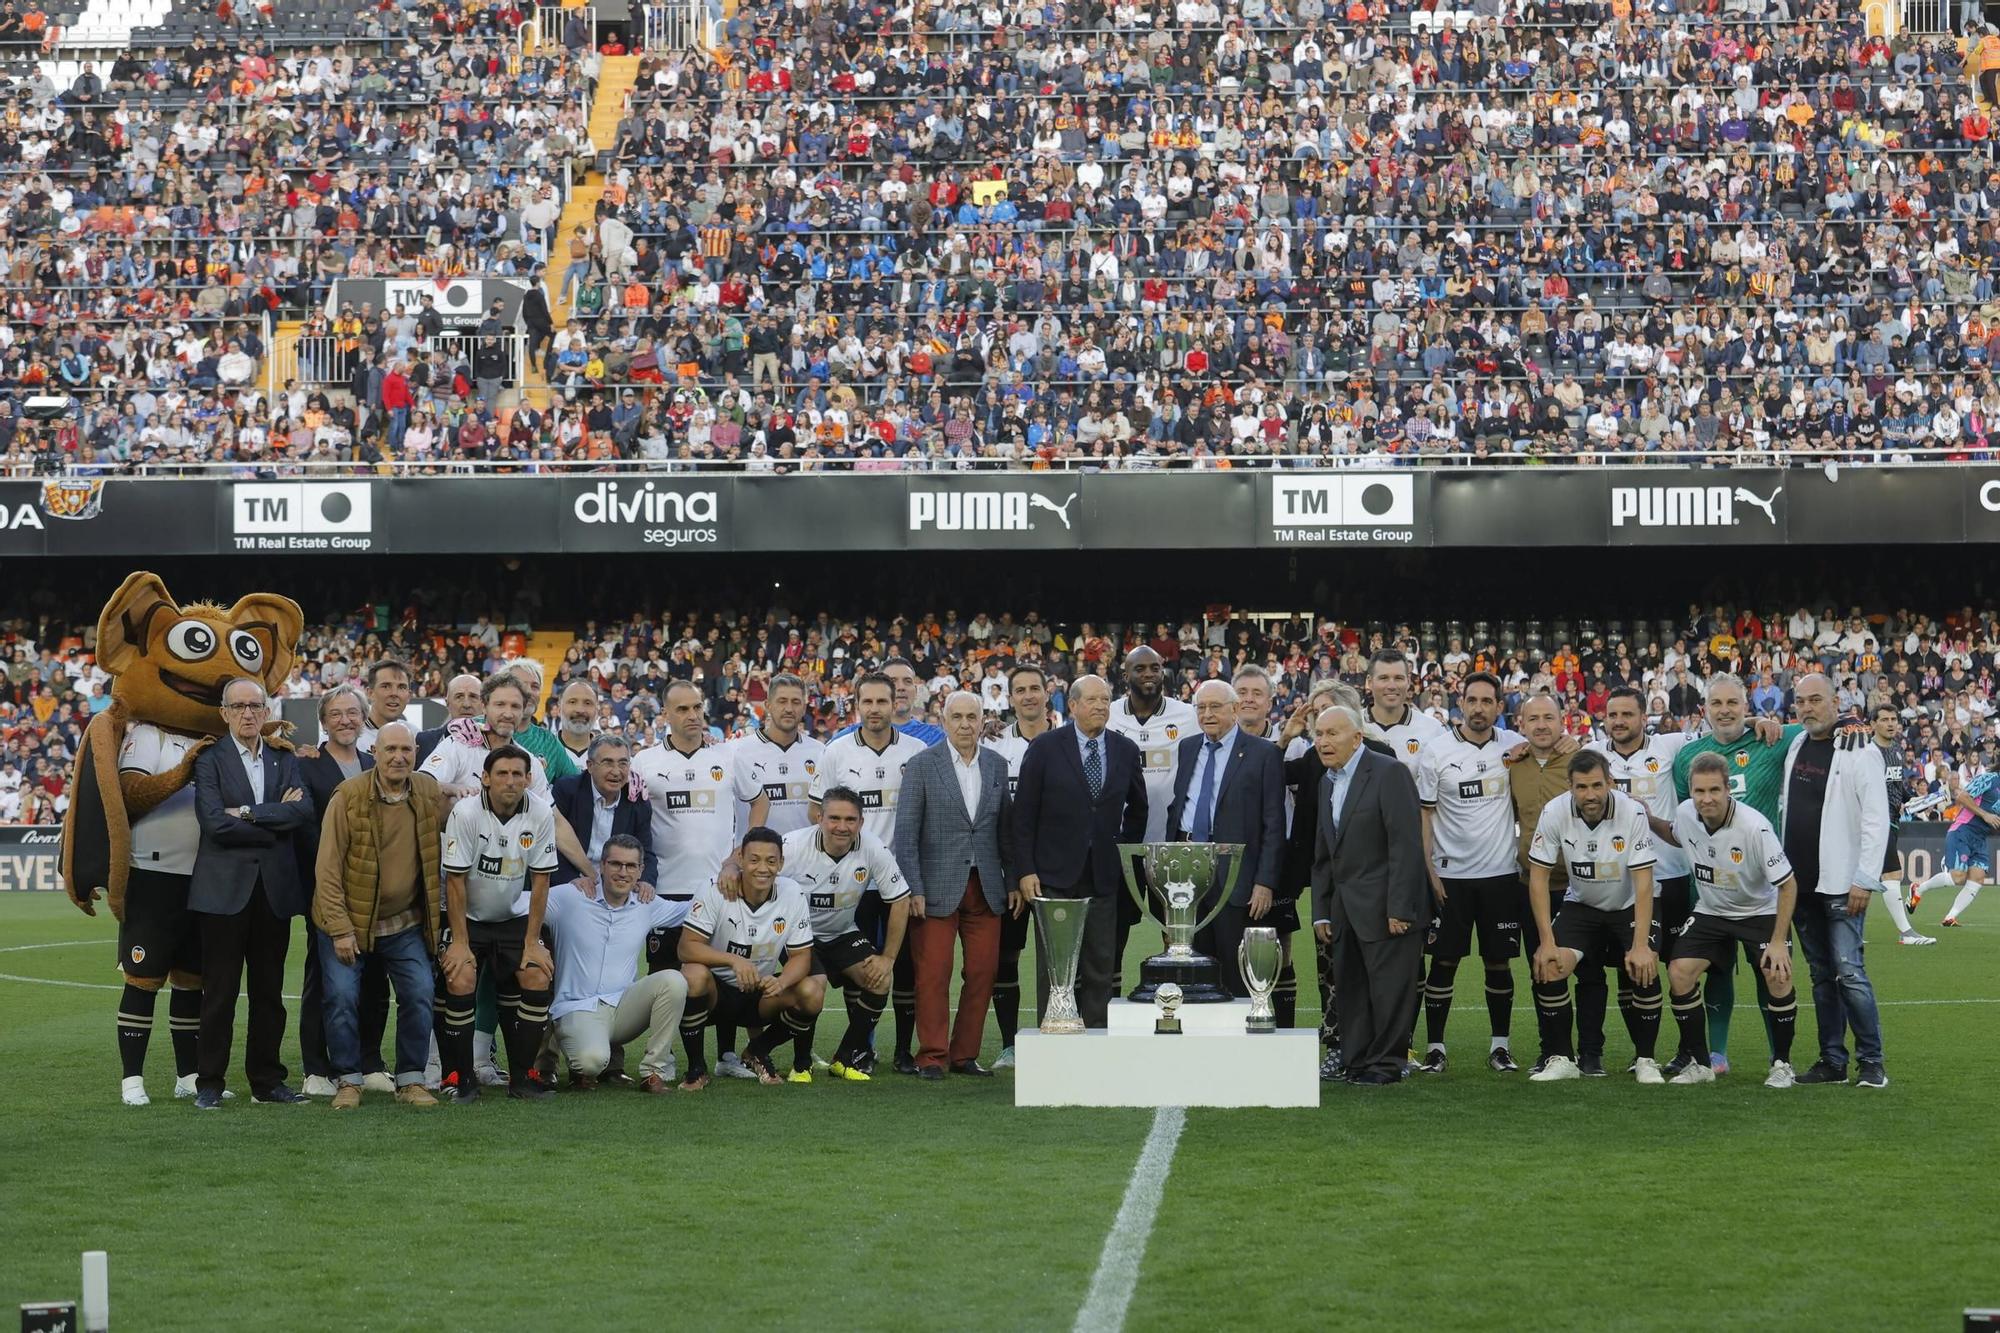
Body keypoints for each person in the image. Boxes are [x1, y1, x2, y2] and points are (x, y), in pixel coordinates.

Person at [188, 677, 313, 1108]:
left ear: (266, 711)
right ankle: (209, 1083)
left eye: (255, 706)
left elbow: (301, 811)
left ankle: (267, 1080)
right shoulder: (208, 760)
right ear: (223, 713)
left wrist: (246, 814)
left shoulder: (284, 757)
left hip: (273, 891)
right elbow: (212, 824)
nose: (247, 713)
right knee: (219, 994)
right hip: (223, 893)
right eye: (238, 706)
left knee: (269, 994)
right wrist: (270, 825)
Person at [1668, 673, 1795, 1075]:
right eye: (1717, 704)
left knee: (1769, 974)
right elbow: (1682, 821)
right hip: (1710, 888)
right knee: (1715, 970)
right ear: (1704, 709)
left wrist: (1767, 723)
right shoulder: (1688, 756)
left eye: (1733, 703)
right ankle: (1714, 1057)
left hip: (1759, 890)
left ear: (1747, 706)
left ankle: (1780, 1060)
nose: (1724, 711)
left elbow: (1813, 726)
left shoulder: (1771, 740)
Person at [312, 721, 443, 1109]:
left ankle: (411, 1080)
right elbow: (327, 870)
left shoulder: (427, 791)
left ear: (416, 754)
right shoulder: (348, 796)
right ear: (375, 753)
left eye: (406, 750)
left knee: (420, 992)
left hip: (404, 921)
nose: (399, 757)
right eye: (390, 750)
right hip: (347, 920)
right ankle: (349, 1080)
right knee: (340, 996)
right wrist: (339, 930)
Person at [1010, 675, 1148, 1028]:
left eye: (1105, 699)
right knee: (1054, 969)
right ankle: (1052, 1042)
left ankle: (1097, 1046)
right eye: (1092, 700)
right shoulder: (1044, 748)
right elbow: (1023, 815)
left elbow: (1139, 809)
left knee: (1101, 965)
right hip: (1053, 876)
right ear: (1072, 706)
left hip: (1103, 875)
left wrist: (1121, 851)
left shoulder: (1125, 750)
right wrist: (1025, 870)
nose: (1101, 706)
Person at [1523, 751, 1663, 1084]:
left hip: (1629, 904)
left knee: (1643, 968)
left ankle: (1645, 1060)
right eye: (1582, 787)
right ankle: (1561, 1058)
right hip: (1583, 905)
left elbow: (1644, 883)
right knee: (1549, 965)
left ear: (1610, 783)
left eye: (1597, 785)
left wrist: (1641, 945)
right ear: (1570, 787)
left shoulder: (1631, 812)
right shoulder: (1555, 811)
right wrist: (1546, 942)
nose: (1590, 794)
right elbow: (1538, 877)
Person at [812, 672, 928, 1072]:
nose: (875, 709)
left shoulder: (915, 751)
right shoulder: (837, 752)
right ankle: (864, 1045)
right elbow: (818, 811)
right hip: (855, 884)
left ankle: (904, 1051)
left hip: (903, 881)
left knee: (906, 967)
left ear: (896, 702)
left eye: (883, 701)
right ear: (856, 704)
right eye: (868, 702)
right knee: (858, 967)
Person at [893, 691, 1012, 1079]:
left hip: (987, 887)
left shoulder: (996, 765)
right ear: (943, 721)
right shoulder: (922, 765)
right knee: (933, 973)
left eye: (971, 717)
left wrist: (1010, 879)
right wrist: (914, 887)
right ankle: (931, 1055)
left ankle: (964, 1055)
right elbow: (906, 835)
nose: (964, 724)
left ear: (982, 721)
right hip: (935, 889)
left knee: (982, 973)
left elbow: (1004, 831)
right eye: (956, 717)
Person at [1415, 672, 1528, 1074]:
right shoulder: (1437, 751)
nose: (1479, 708)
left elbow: (1557, 754)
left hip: (1501, 876)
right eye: (1472, 700)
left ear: (1500, 706)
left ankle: (1500, 1047)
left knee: (1499, 962)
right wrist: (1429, 870)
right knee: (1443, 962)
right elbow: (1425, 814)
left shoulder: (1516, 746)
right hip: (1450, 878)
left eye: (1487, 701)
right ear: (1460, 703)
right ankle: (1436, 1048)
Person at [1783, 674, 1891, 1089]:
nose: (1808, 708)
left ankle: (1872, 1062)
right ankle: (1832, 1061)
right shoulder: (1796, 745)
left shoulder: (1860, 749)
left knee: (1849, 972)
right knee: (1821, 977)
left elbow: (1876, 819)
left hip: (1843, 884)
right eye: (1800, 702)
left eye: (1816, 700)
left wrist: (1864, 878)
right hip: (1801, 885)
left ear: (1836, 702)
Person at [1311, 706, 1428, 1086]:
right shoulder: (1326, 781)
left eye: (1332, 734)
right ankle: (1356, 1060)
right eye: (1319, 734)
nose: (1323, 742)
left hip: (1386, 907)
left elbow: (1405, 845)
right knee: (1351, 989)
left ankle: (1386, 1065)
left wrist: (1401, 908)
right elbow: (1324, 853)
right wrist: (1321, 912)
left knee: (1390, 991)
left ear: (1357, 737)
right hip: (1345, 909)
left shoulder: (1389, 773)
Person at [437, 746, 558, 1102]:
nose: (510, 781)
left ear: (528, 779)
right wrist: (459, 942)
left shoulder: (538, 812)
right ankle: (460, 1078)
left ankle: (522, 1077)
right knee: (460, 977)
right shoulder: (466, 812)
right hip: (467, 918)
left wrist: (532, 941)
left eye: (517, 774)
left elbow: (541, 881)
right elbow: (455, 880)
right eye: (501, 773)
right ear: (485, 778)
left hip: (512, 917)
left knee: (537, 972)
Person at [295, 686, 392, 1097]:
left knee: (374, 979)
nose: (345, 720)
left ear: (364, 717)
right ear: (324, 720)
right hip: (328, 889)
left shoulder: (376, 763)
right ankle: (317, 1068)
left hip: (377, 893)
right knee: (325, 979)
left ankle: (369, 1061)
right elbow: (303, 826)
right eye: (336, 714)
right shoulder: (308, 764)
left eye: (353, 713)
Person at [544, 836, 692, 1093]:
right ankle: (575, 1058)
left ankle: (653, 1072)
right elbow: (521, 905)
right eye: (615, 864)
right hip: (577, 1006)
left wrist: (730, 878)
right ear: (601, 865)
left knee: (674, 980)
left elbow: (692, 910)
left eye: (631, 866)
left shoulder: (647, 904)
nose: (623, 872)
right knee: (592, 1062)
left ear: (640, 871)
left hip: (623, 1007)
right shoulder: (570, 896)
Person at [676, 827, 822, 1087]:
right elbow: (686, 948)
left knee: (812, 991)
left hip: (760, 995)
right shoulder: (714, 889)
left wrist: (782, 981)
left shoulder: (792, 893)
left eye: (771, 861)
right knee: (693, 975)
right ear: (740, 859)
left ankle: (757, 1050)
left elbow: (801, 957)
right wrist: (734, 960)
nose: (762, 868)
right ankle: (697, 1068)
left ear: (781, 864)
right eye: (754, 860)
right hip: (716, 996)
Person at [1507, 696, 1606, 1075]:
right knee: (1543, 968)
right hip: (1534, 883)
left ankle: (1592, 1053)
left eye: (1549, 717)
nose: (1542, 725)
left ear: (1563, 721)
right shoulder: (1513, 764)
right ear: (1521, 723)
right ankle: (1554, 1050)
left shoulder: (1582, 760)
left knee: (1590, 971)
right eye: (1534, 718)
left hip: (1585, 884)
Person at [1167, 679, 1284, 996]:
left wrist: (1265, 882)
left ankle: (1239, 1039)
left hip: (1236, 876)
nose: (1207, 714)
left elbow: (1274, 823)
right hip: (1187, 869)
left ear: (1234, 709)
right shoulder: (1188, 747)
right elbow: (1181, 803)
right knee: (1191, 966)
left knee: (1235, 971)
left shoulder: (1263, 754)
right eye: (1201, 707)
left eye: (1215, 706)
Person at [784, 787, 909, 1080]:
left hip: (842, 932)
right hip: (799, 937)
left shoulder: (873, 847)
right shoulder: (791, 846)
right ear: (819, 817)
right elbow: (753, 870)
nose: (842, 826)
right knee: (812, 987)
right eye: (834, 818)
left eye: (851, 819)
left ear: (861, 823)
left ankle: (845, 1058)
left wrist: (888, 957)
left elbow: (900, 900)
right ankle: (801, 1064)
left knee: (879, 978)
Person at [1107, 644, 1198, 989]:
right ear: (1125, 674)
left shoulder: (1187, 715)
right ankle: (1109, 1008)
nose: (1148, 675)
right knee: (1114, 935)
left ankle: (1179, 1001)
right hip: (1122, 846)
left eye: (1155, 668)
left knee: (1175, 935)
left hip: (1171, 847)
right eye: (1140, 668)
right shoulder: (1109, 714)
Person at [982, 664, 1053, 1067]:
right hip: (1011, 874)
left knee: (1060, 957)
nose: (1028, 696)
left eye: (1034, 688)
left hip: (1058, 871)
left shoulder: (1066, 743)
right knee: (1005, 957)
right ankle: (1010, 1044)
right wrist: (1012, 873)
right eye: (1020, 690)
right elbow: (993, 816)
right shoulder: (994, 749)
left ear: (1047, 693)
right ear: (1009, 699)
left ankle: (1062, 1033)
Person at [550, 734, 656, 891]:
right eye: (608, 763)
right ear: (590, 765)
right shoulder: (567, 791)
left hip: (616, 890)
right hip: (572, 885)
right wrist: (571, 880)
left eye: (623, 764)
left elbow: (645, 852)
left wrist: (646, 881)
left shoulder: (637, 801)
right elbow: (551, 847)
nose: (616, 771)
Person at [1868, 704, 1934, 945]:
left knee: (1861, 877)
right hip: (1874, 822)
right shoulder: (1867, 751)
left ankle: (1846, 933)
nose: (1890, 723)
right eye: (1884, 719)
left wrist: (1911, 800)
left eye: (1893, 719)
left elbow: (1896, 787)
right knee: (1892, 874)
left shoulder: (1896, 749)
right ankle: (1906, 932)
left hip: (1892, 821)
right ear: (1873, 724)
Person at [727, 672, 823, 837]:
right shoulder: (737, 751)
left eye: (796, 702)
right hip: (758, 860)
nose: (789, 709)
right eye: (782, 701)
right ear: (768, 705)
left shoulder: (820, 752)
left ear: (804, 708)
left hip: (805, 861)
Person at [1907, 759, 2000, 927]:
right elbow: (1963, 796)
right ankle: (1918, 889)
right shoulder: (1990, 778)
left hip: (1980, 838)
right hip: (1963, 830)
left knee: (1977, 877)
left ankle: (1950, 917)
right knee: (1958, 876)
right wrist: (1985, 815)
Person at [355, 657, 414, 753]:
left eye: (401, 687)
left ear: (409, 696)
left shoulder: (414, 734)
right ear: (370, 693)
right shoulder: (351, 736)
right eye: (386, 686)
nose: (394, 693)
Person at [552, 679, 602, 768]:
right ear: (559, 709)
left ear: (597, 712)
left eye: (587, 703)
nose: (580, 710)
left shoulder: (608, 754)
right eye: (572, 702)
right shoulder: (544, 750)